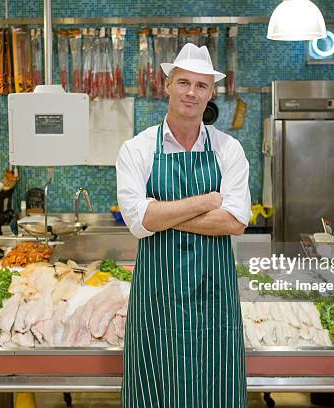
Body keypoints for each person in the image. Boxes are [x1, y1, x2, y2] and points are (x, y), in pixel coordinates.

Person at [116, 42, 251, 407]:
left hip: (214, 301)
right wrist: (207, 201)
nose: (192, 92)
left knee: (216, 391)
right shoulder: (137, 149)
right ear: (167, 85)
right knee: (155, 391)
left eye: (201, 85)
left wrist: (163, 215)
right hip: (157, 300)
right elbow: (138, 221)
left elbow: (236, 222)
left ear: (211, 93)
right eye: (183, 82)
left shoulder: (229, 150)